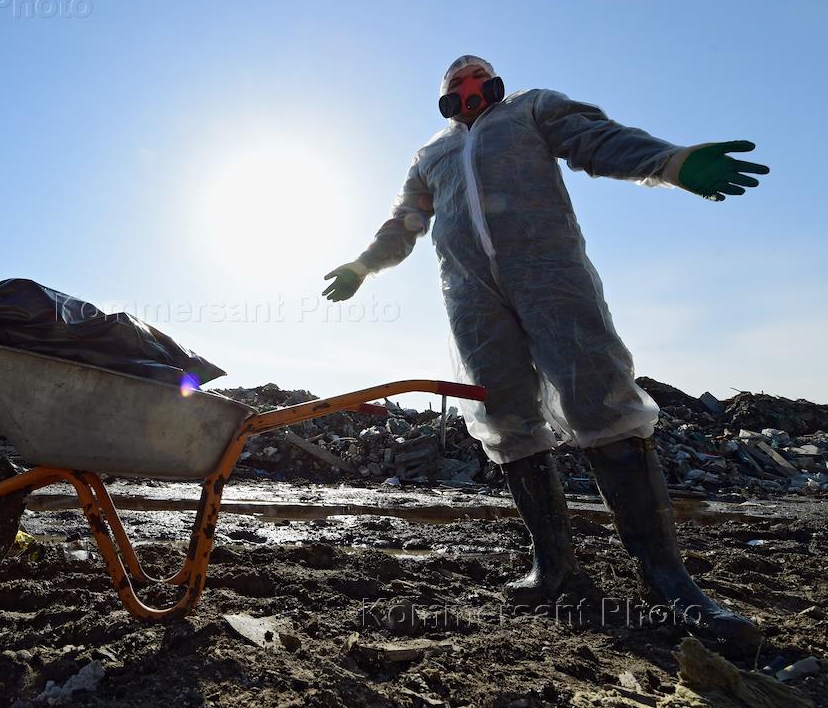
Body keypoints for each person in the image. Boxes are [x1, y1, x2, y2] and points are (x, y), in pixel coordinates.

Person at [323, 55, 768, 647]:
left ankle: (669, 581)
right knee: (505, 416)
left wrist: (670, 161)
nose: (467, 75)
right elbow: (405, 222)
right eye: (456, 77)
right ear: (445, 95)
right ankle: (554, 566)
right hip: (473, 298)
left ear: (494, 82)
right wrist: (363, 265)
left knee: (600, 396)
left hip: (549, 276)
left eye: (478, 71)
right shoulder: (431, 154)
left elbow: (595, 140)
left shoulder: (530, 110)